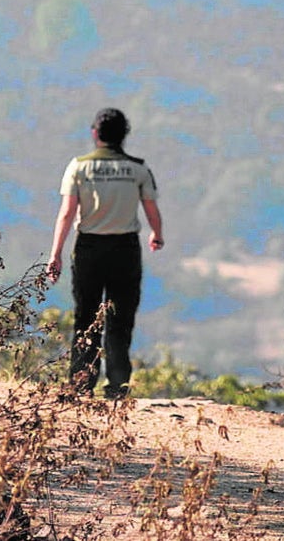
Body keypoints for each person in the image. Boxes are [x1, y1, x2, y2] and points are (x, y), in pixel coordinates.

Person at [48, 108, 163, 398]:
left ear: (95, 133)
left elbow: (66, 214)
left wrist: (56, 253)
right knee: (120, 320)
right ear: (125, 134)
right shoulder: (138, 168)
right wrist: (157, 235)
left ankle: (80, 385)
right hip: (124, 249)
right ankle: (117, 387)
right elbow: (151, 209)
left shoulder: (79, 167)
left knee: (86, 318)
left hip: (88, 248)